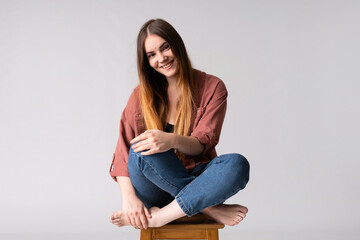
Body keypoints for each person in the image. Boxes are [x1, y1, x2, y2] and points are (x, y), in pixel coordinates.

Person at [109, 18, 250, 229]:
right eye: (152, 55)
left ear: (177, 45)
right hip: (155, 188)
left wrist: (170, 140)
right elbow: (123, 152)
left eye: (165, 47)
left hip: (200, 178)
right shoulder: (140, 95)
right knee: (140, 150)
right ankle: (207, 208)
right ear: (146, 61)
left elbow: (203, 143)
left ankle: (158, 217)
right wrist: (129, 199)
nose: (161, 58)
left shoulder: (213, 87)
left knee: (237, 164)